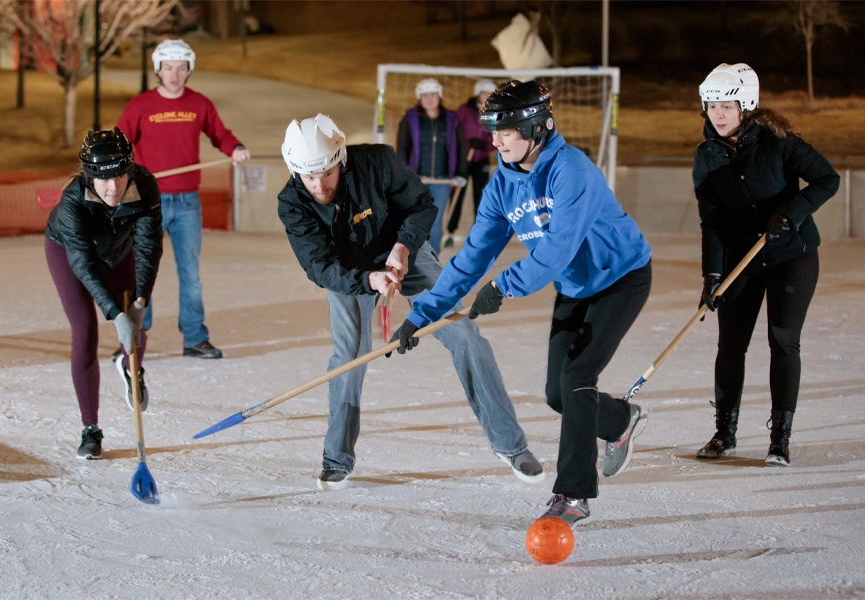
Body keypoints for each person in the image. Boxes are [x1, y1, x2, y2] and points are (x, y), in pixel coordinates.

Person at [391, 80, 653, 526]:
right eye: (492, 131)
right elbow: (472, 258)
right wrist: (422, 314)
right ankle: (619, 420)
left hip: (620, 278)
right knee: (559, 395)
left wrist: (505, 286)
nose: (493, 140)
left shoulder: (573, 171)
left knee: (576, 378)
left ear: (536, 128)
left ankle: (573, 494)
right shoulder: (500, 185)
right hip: (574, 287)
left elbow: (558, 249)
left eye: (504, 132)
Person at [277, 113, 544, 491]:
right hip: (349, 272)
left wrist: (403, 248)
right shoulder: (292, 203)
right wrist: (368, 278)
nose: (319, 185)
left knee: (463, 334)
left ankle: (511, 444)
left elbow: (421, 205)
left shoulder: (379, 162)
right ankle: (337, 456)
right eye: (308, 177)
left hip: (406, 254)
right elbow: (318, 265)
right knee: (349, 357)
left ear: (341, 160)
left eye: (327, 173)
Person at [693, 63, 839, 467]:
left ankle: (780, 439)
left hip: (792, 255)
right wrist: (713, 275)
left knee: (782, 340)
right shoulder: (707, 156)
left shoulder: (780, 143)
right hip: (744, 258)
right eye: (711, 106)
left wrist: (789, 213)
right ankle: (724, 433)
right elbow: (713, 223)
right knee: (730, 345)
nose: (717, 114)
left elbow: (828, 179)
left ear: (746, 104)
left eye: (725, 105)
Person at [116, 38, 250, 360]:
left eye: (181, 68)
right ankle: (134, 340)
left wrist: (235, 148)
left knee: (190, 275)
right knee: (141, 274)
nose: (174, 74)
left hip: (188, 203)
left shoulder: (199, 104)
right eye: (168, 68)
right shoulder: (139, 106)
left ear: (189, 70)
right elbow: (121, 143)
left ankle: (195, 338)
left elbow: (220, 134)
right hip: (148, 203)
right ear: (158, 70)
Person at [45, 128, 163, 459]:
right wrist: (115, 313)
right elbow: (82, 263)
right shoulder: (72, 201)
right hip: (68, 253)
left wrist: (140, 302)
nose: (113, 187)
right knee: (84, 332)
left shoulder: (144, 185)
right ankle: (90, 429)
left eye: (121, 176)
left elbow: (149, 246)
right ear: (90, 176)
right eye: (104, 179)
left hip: (119, 250)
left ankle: (132, 370)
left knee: (137, 330)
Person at [395, 78, 468, 253]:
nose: (429, 99)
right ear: (419, 98)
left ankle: (433, 257)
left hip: (443, 180)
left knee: (435, 222)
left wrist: (461, 173)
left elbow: (461, 147)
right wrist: (403, 175)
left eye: (433, 94)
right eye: (425, 95)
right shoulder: (409, 119)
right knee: (415, 219)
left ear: (439, 96)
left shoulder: (451, 119)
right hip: (417, 180)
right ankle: (414, 256)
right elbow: (402, 148)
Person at [443, 79, 498, 249]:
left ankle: (478, 233)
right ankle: (449, 230)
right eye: (483, 93)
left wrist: (485, 145)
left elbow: (496, 137)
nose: (485, 96)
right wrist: (465, 144)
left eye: (489, 94)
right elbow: (454, 131)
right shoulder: (464, 110)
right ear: (477, 93)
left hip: (481, 159)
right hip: (463, 159)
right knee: (458, 193)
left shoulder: (494, 113)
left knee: (480, 196)